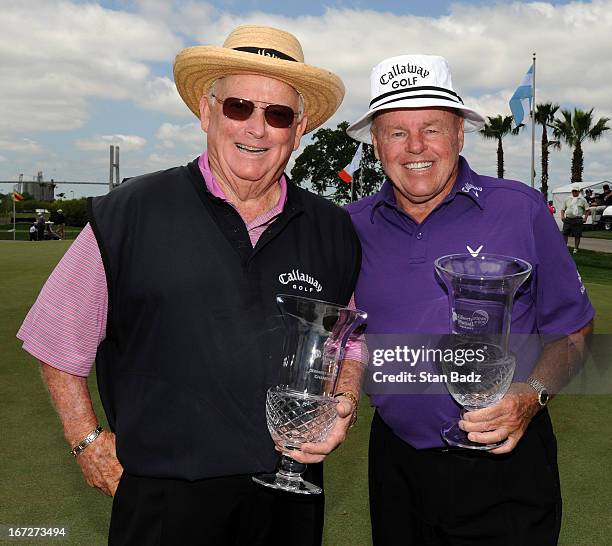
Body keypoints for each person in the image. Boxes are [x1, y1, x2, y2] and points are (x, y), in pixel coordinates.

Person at [17, 25, 364, 546]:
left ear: (300, 127)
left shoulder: (332, 228)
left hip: (288, 500)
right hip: (163, 503)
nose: (256, 128)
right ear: (207, 111)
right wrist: (87, 441)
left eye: (277, 114)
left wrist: (344, 402)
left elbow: (348, 339)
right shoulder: (132, 212)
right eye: (238, 107)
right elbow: (54, 338)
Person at [345, 54, 594, 545]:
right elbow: (346, 335)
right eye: (396, 132)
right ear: (376, 143)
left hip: (505, 467)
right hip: (394, 465)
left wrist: (532, 395)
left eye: (432, 128)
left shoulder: (520, 209)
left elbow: (574, 333)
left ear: (460, 133)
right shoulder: (350, 225)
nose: (415, 147)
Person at [561, 183, 589, 253]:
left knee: (577, 234)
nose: (574, 192)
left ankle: (575, 248)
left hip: (577, 219)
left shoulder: (582, 200)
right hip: (568, 219)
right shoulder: (567, 199)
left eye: (576, 191)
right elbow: (563, 209)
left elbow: (587, 210)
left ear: (578, 192)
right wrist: (562, 216)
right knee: (565, 233)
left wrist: (585, 218)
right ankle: (564, 248)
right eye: (573, 191)